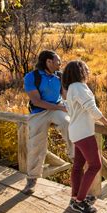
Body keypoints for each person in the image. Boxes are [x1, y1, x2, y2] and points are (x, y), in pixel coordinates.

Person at [62, 60, 107, 213]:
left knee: (78, 166)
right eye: (86, 69)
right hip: (84, 133)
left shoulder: (70, 88)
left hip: (76, 132)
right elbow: (91, 108)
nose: (88, 71)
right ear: (80, 72)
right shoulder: (79, 86)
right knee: (95, 166)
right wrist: (106, 122)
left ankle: (74, 198)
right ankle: (79, 202)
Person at [22, 50, 74, 194]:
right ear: (48, 62)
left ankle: (74, 156)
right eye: (58, 61)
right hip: (39, 112)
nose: (60, 63)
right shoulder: (31, 77)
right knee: (36, 144)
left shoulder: (60, 76)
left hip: (57, 110)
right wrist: (59, 107)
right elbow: (36, 101)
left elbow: (65, 95)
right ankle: (32, 179)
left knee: (67, 124)